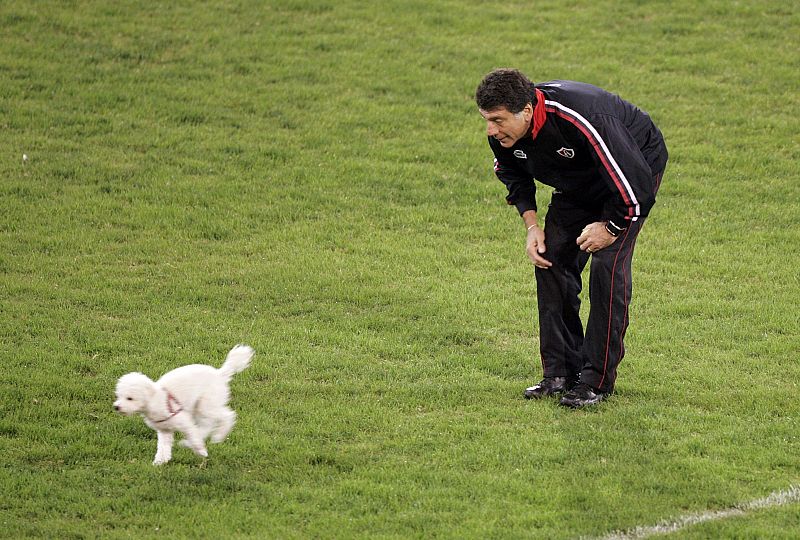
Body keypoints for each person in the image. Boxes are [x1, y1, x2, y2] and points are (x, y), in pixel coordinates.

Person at [475, 69, 668, 408]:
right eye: (487, 120)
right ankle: (560, 373)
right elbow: (511, 173)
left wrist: (609, 227)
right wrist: (533, 227)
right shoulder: (504, 132)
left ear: (527, 110)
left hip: (631, 175)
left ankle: (595, 382)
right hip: (578, 181)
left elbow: (635, 188)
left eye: (497, 120)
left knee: (606, 270)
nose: (491, 129)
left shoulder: (580, 117)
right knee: (550, 260)